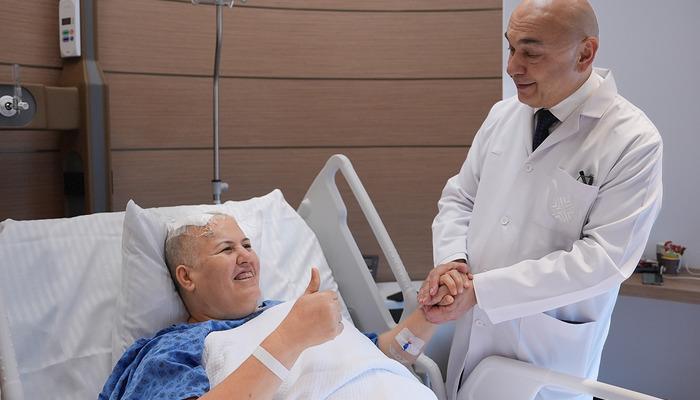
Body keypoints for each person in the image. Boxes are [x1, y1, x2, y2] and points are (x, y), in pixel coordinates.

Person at [418, 0, 663, 399]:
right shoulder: (502, 116)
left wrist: (483, 292)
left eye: (531, 53)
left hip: (547, 353)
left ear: (585, 53)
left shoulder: (633, 141)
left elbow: (603, 261)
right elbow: (460, 199)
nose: (512, 66)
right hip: (474, 334)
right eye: (510, 48)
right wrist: (453, 262)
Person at [99, 212, 466, 400]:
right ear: (187, 276)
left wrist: (430, 316)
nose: (246, 256)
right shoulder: (171, 348)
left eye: (247, 245)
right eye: (226, 249)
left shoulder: (290, 311)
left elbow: (388, 354)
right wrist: (291, 337)